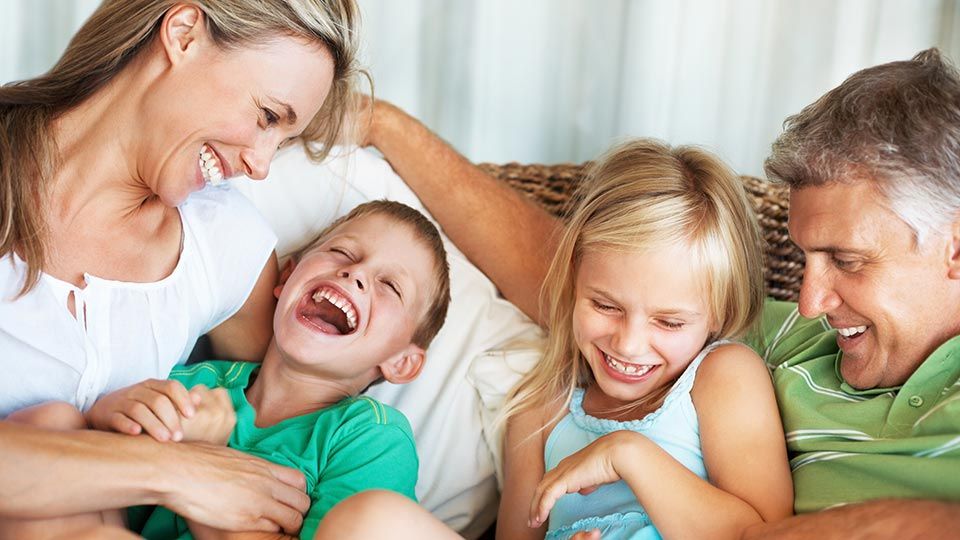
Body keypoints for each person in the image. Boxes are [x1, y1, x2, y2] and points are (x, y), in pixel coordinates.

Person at [318, 48, 960, 538]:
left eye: (847, 261)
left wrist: (630, 458)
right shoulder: (778, 336)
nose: (812, 300)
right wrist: (384, 126)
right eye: (805, 258)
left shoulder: (722, 370)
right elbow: (585, 273)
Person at [0, 0, 363, 536]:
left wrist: (208, 425)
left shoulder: (225, 244)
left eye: (282, 142)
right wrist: (173, 471)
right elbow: (204, 475)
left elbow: (276, 418)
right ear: (185, 33)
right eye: (267, 117)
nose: (260, 166)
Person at [495, 139, 792, 539]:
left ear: (718, 314)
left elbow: (770, 534)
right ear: (573, 279)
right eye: (605, 306)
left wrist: (626, 453)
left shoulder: (722, 379)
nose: (629, 344)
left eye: (669, 322)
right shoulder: (540, 413)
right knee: (385, 515)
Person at [95, 200, 445, 540]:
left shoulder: (371, 436)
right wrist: (107, 415)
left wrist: (205, 461)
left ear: (402, 362)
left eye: (390, 286)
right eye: (343, 253)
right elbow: (109, 495)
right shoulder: (194, 386)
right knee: (57, 419)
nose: (356, 273)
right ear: (288, 277)